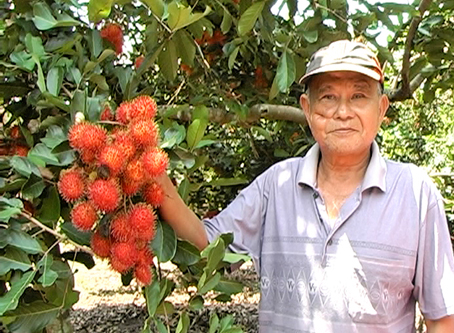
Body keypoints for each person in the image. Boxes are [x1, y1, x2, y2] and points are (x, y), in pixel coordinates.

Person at [156, 40, 454, 332]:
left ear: (382, 108)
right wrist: (154, 175)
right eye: (328, 97)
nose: (343, 112)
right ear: (307, 108)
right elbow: (207, 249)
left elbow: (442, 319)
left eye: (359, 96)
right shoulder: (276, 186)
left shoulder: (415, 193)